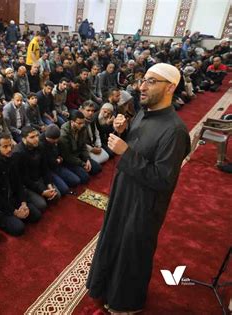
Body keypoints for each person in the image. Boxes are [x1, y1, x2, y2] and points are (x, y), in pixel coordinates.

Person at [86, 63, 191, 314]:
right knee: (113, 239)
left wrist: (126, 152)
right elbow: (138, 144)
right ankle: (105, 288)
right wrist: (124, 130)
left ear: (170, 87)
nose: (142, 86)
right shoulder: (144, 112)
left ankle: (125, 302)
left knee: (132, 251)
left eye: (151, 82)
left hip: (144, 204)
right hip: (124, 192)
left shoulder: (175, 131)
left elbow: (163, 179)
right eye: (143, 80)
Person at [0, 132, 42, 236]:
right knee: (19, 228)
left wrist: (23, 203)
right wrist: (14, 211)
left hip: (12, 198)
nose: (9, 149)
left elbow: (18, 183)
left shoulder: (11, 158)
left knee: (36, 215)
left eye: (10, 146)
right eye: (5, 146)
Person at [13, 126, 60, 208]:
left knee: (56, 196)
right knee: (42, 205)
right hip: (27, 185)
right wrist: (42, 191)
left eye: (37, 136)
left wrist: (49, 185)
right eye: (32, 137)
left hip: (39, 178)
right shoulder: (18, 153)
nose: (36, 139)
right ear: (24, 139)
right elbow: (23, 179)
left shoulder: (40, 146)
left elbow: (45, 168)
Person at [59, 110, 102, 184]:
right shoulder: (64, 134)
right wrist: (82, 164)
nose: (82, 125)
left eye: (83, 123)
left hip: (78, 155)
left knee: (97, 168)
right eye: (79, 123)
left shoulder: (82, 128)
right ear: (72, 122)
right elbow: (67, 156)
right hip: (69, 159)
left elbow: (83, 146)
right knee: (85, 178)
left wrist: (87, 159)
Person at [40, 124, 80, 195]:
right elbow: (47, 163)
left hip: (58, 165)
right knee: (65, 190)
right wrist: (58, 160)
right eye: (54, 140)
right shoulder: (41, 144)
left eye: (57, 139)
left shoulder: (57, 140)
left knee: (76, 181)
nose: (56, 141)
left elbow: (63, 154)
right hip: (49, 169)